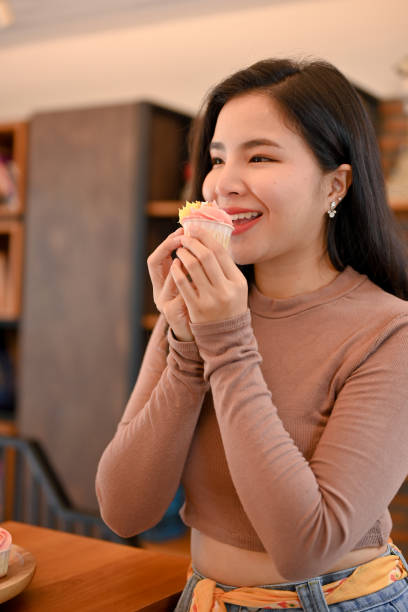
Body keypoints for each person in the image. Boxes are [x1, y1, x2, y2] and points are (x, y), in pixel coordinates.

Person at [96, 58, 408, 611]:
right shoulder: (198, 311)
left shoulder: (389, 331)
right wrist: (189, 349)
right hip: (201, 597)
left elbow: (305, 545)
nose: (222, 183)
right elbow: (125, 511)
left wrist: (227, 343)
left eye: (259, 156)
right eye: (217, 158)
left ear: (336, 184)